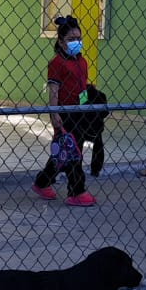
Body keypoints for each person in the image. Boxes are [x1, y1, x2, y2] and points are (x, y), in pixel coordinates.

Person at [32, 15, 96, 206]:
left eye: (78, 38)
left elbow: (82, 87)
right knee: (73, 152)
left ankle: (42, 182)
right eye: (71, 39)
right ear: (60, 42)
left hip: (80, 113)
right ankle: (76, 191)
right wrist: (54, 114)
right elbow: (54, 90)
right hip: (64, 113)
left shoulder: (82, 61)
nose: (76, 42)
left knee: (64, 153)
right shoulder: (57, 63)